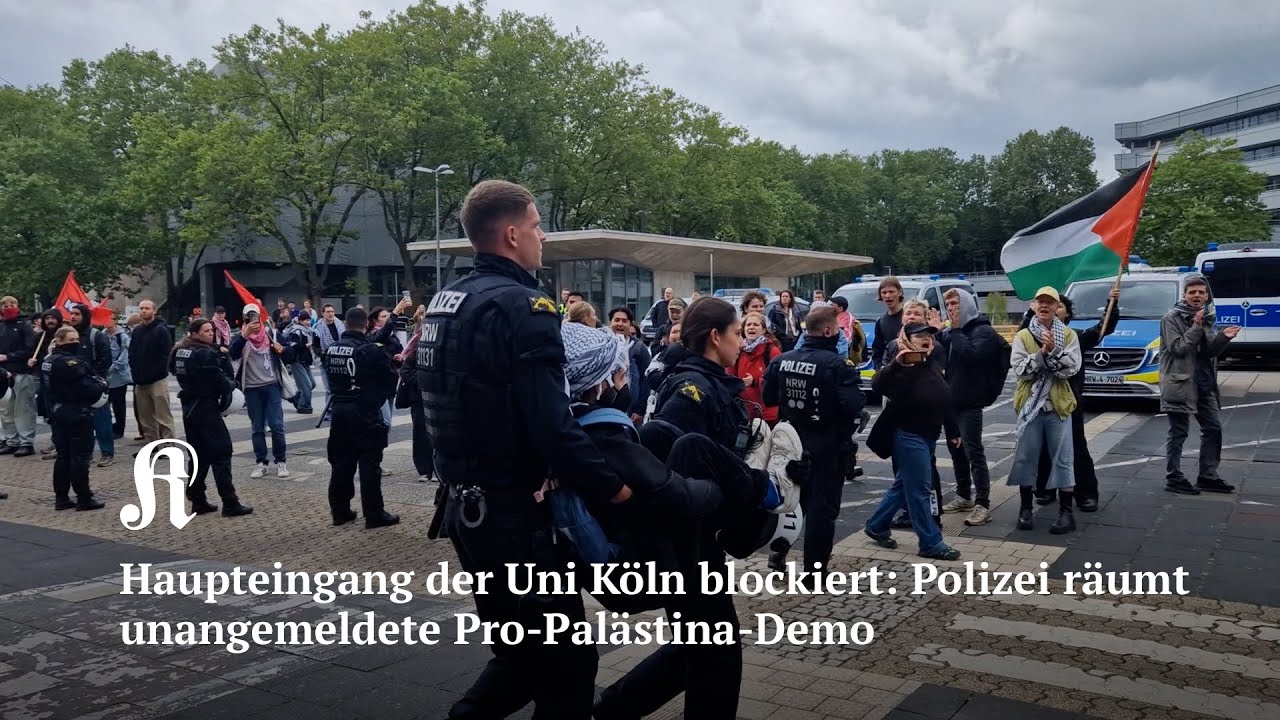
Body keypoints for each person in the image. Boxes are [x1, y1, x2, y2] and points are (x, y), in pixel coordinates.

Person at [416, 179, 631, 720]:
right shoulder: (526, 304)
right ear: (512, 234)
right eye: (537, 227)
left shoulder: (447, 301)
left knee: (520, 658)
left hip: (467, 510)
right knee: (567, 669)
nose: (543, 238)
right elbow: (551, 424)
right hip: (516, 517)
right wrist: (615, 487)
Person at [602, 297, 804, 720]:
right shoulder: (693, 389)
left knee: (696, 650)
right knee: (717, 657)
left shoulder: (705, 381)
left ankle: (614, 708)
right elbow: (668, 460)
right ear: (716, 337)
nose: (740, 342)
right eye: (735, 333)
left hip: (694, 539)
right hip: (690, 543)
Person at [763, 305, 865, 579]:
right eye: (838, 331)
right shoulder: (836, 365)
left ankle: (779, 552)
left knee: (791, 502)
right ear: (828, 331)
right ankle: (814, 573)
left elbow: (769, 398)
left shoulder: (781, 360)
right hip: (827, 443)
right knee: (822, 510)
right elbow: (853, 404)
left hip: (790, 441)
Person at [863, 322, 961, 559]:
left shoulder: (931, 363)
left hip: (928, 435)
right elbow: (878, 385)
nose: (926, 338)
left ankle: (876, 525)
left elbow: (943, 398)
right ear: (906, 339)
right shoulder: (903, 364)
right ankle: (930, 542)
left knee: (903, 486)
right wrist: (898, 363)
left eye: (929, 335)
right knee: (919, 490)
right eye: (920, 335)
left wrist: (953, 430)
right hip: (908, 435)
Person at [1022, 289, 1119, 511]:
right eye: (1042, 304)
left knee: (1075, 448)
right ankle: (1045, 489)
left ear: (1064, 313)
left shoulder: (1074, 337)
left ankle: (1085, 493)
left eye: (1059, 306)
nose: (1051, 309)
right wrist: (1029, 315)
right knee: (1043, 448)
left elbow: (1103, 329)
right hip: (1038, 402)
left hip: (1067, 402)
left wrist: (1112, 302)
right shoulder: (1030, 334)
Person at [1009, 287, 1082, 534]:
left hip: (1058, 406)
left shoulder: (1069, 335)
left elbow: (1070, 370)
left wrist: (1053, 352)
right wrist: (1042, 354)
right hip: (1031, 406)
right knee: (1026, 457)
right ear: (1033, 305)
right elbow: (1021, 370)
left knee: (1064, 459)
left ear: (1056, 307)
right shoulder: (1023, 336)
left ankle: (1066, 513)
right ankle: (1025, 509)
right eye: (1040, 301)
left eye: (1050, 302)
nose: (1044, 306)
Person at [1160, 274, 1240, 495]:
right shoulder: (1171, 318)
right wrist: (1195, 327)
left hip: (1204, 384)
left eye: (1201, 292)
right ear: (1184, 295)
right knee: (1178, 432)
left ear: (1206, 296)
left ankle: (1208, 476)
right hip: (1180, 384)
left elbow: (1208, 352)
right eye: (1192, 292)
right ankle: (1173, 477)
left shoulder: (1206, 317)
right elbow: (1178, 348)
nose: (1197, 296)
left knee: (1213, 428)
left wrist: (1224, 337)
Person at [324, 306, 400, 529]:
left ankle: (340, 511)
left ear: (345, 324)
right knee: (369, 465)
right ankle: (374, 514)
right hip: (365, 412)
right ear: (366, 324)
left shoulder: (332, 349)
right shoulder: (371, 350)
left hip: (339, 411)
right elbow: (389, 382)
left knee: (341, 464)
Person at [937, 288, 1007, 526]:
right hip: (950, 402)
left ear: (967, 303)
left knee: (973, 451)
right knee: (956, 452)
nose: (951, 308)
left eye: (955, 303)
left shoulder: (983, 331)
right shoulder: (953, 331)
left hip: (970, 403)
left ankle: (983, 503)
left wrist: (954, 330)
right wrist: (938, 333)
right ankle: (964, 495)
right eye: (948, 304)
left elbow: (972, 355)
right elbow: (941, 354)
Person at [171, 319, 253, 517]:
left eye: (212, 330)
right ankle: (230, 502)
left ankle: (197, 499)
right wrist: (231, 381)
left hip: (189, 406)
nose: (211, 333)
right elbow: (221, 382)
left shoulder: (181, 350)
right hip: (205, 406)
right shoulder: (205, 354)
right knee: (222, 452)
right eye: (206, 330)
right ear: (194, 333)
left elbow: (174, 370)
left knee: (198, 455)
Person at [43, 326, 106, 511]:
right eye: (71, 340)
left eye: (77, 339)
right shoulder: (71, 363)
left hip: (58, 411)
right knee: (80, 456)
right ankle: (84, 497)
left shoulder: (48, 360)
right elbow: (87, 387)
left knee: (63, 456)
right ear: (59, 341)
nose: (75, 343)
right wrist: (102, 385)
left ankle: (61, 497)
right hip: (76, 412)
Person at [229, 303, 294, 478]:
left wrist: (283, 350)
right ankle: (261, 462)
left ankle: (281, 461)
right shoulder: (241, 337)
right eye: (249, 317)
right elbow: (232, 353)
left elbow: (290, 354)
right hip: (251, 388)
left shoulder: (271, 334)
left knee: (276, 425)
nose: (253, 321)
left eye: (255, 316)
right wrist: (245, 334)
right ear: (244, 319)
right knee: (257, 427)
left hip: (272, 385)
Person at [128, 299, 175, 443]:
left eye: (147, 308)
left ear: (154, 311)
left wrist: (157, 373)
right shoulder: (137, 331)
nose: (143, 311)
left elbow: (166, 355)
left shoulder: (161, 330)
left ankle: (168, 444)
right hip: (140, 381)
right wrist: (136, 374)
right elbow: (132, 354)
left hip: (157, 379)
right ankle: (151, 444)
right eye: (141, 308)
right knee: (145, 417)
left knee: (163, 415)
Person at [0, 295, 37, 456]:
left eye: (12, 304)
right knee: (6, 409)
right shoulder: (1, 326)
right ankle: (11, 440)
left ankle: (26, 442)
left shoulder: (25, 325)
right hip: (2, 374)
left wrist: (8, 357)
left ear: (18, 305)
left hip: (21, 372)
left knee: (23, 408)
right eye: (5, 305)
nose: (9, 307)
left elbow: (30, 348)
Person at [732, 311, 781, 425]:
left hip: (767, 413)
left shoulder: (772, 351)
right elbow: (730, 377)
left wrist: (755, 381)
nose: (751, 327)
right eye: (748, 325)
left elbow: (777, 381)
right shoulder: (737, 350)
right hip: (744, 412)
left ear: (763, 330)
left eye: (755, 324)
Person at [607, 306, 651, 424]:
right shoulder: (602, 345)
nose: (620, 324)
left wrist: (640, 410)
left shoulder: (639, 348)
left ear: (630, 324)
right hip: (606, 407)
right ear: (610, 322)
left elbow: (646, 380)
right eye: (616, 320)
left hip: (631, 411)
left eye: (624, 321)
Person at [870, 277, 905, 372]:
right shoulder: (881, 322)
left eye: (891, 292)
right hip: (890, 373)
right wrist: (880, 370)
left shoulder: (910, 317)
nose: (888, 296)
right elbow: (877, 352)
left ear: (899, 292)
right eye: (884, 293)